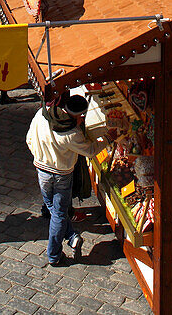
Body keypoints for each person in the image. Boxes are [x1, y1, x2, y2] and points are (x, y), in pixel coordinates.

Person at [26, 93, 104, 266]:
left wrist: (39, 157)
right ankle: (54, 255)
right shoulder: (72, 134)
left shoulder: (41, 115)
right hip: (62, 175)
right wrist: (108, 139)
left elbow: (29, 139)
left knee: (53, 209)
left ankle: (71, 236)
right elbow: (90, 151)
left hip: (42, 171)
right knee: (59, 213)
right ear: (79, 115)